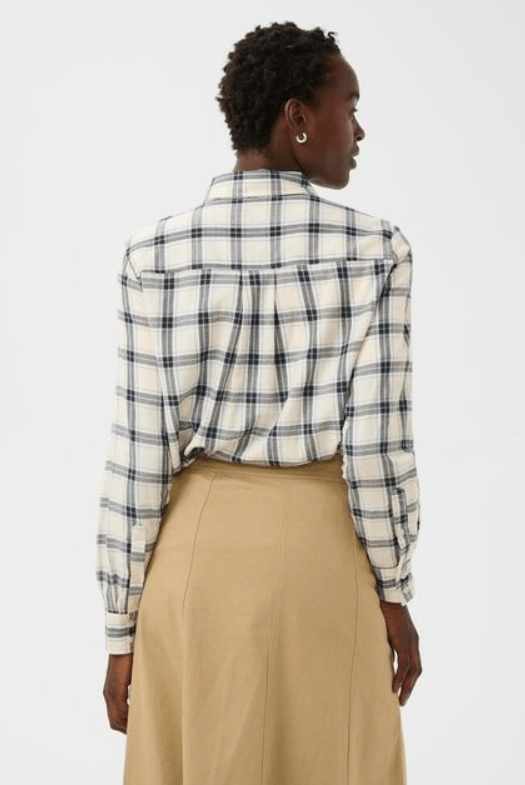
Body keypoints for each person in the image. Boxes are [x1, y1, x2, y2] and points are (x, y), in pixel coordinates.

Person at [98, 20, 423, 785]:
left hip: (194, 563)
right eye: (350, 106)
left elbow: (139, 455)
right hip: (323, 558)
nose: (359, 130)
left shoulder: (155, 255)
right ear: (297, 116)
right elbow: (375, 451)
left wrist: (120, 627)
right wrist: (394, 592)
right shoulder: (375, 251)